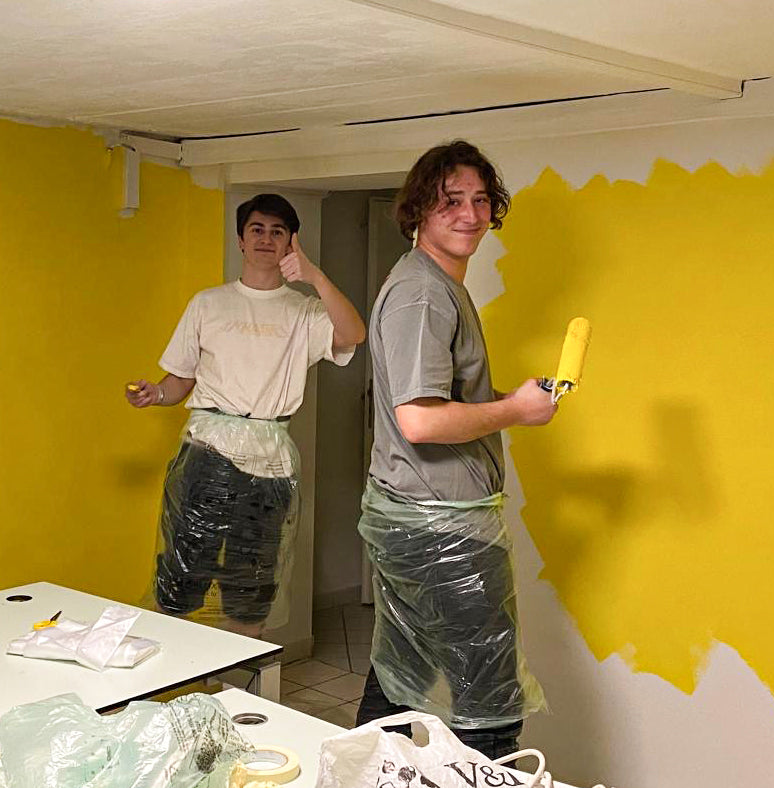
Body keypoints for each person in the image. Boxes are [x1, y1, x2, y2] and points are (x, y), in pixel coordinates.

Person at [355, 141, 557, 758]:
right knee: (487, 701)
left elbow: (439, 397)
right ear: (418, 211)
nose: (470, 214)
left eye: (479, 200)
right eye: (450, 202)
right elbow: (418, 420)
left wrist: (507, 398)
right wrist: (516, 412)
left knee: (400, 681)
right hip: (439, 527)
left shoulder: (437, 284)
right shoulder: (422, 293)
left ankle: (347, 772)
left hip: (421, 518)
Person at [126, 193, 365, 636]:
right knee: (182, 575)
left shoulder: (306, 311)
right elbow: (179, 380)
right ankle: (172, 691)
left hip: (268, 465)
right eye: (257, 229)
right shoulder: (209, 304)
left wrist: (315, 277)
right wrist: (155, 393)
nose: (266, 239)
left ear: (291, 243)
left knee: (251, 583)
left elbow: (354, 332)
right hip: (207, 453)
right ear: (240, 239)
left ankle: (239, 696)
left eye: (278, 231)